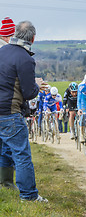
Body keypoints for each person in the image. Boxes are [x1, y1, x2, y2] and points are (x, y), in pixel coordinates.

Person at [0, 20, 48, 202]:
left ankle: (5, 184)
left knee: (5, 149)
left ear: (14, 34)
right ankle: (28, 195)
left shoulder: (2, 52)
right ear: (33, 38)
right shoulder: (26, 58)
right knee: (21, 154)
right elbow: (28, 93)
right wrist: (36, 84)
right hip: (9, 112)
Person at [0, 17, 17, 190]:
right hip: (5, 103)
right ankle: (6, 182)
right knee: (6, 143)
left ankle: (5, 181)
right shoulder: (6, 51)